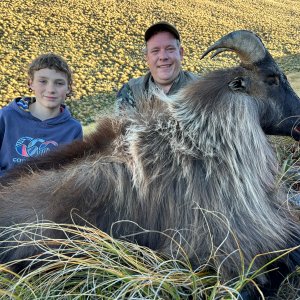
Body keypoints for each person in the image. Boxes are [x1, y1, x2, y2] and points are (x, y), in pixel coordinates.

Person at [0, 53, 83, 175]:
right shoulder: (7, 117)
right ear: (31, 83)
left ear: (68, 88)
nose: (51, 90)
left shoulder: (73, 129)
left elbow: (71, 175)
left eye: (59, 83)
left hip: (50, 193)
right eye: (43, 81)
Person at [116, 21, 199, 114]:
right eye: (155, 51)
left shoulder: (203, 88)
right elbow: (122, 126)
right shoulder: (131, 91)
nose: (163, 57)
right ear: (147, 57)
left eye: (170, 49)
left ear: (181, 53)